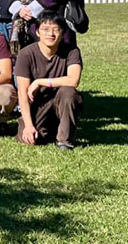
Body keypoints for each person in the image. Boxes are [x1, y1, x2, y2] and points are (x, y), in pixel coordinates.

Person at [14, 12, 84, 150]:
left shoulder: (72, 51)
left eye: (55, 29)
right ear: (38, 32)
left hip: (60, 101)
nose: (50, 34)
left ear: (63, 32)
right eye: (45, 29)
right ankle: (50, 129)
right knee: (32, 139)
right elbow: (22, 93)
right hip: (38, 104)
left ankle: (65, 141)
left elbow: (73, 80)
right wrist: (28, 126)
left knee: (69, 92)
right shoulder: (26, 54)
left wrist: (40, 81)